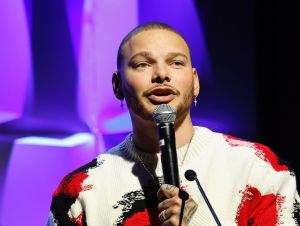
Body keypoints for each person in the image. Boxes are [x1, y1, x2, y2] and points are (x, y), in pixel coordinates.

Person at [48, 22, 300, 226]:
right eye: (142, 64)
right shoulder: (82, 189)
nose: (161, 74)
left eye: (176, 63)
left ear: (195, 81)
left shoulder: (257, 167)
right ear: (117, 85)